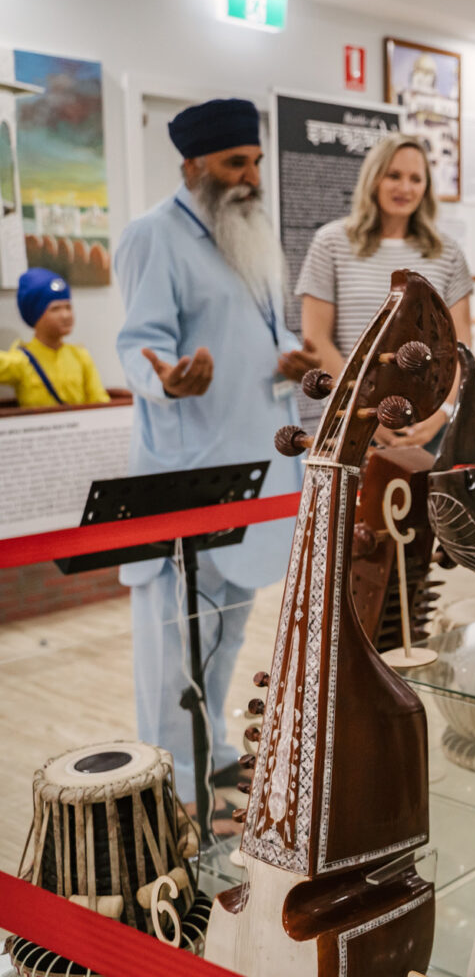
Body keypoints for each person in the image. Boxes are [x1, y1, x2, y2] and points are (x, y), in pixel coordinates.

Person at [115, 98, 320, 827]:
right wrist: (166, 379)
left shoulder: (245, 234)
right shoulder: (154, 236)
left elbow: (251, 334)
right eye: (237, 163)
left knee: (225, 633)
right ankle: (172, 789)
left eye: (256, 161)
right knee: (176, 647)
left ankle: (214, 754)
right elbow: (137, 344)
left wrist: (287, 358)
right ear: (192, 166)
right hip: (188, 477)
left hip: (255, 479)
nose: (251, 177)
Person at [296, 132, 472, 449]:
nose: (405, 188)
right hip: (350, 422)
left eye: (415, 179)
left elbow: (459, 346)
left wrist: (442, 413)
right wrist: (362, 409)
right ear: (374, 178)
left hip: (428, 428)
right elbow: (317, 338)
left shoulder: (447, 252)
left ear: (426, 188)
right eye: (394, 176)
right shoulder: (331, 243)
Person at [0, 267, 109, 406]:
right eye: (55, 309)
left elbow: (99, 402)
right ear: (36, 316)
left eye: (68, 307)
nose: (65, 315)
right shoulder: (21, 361)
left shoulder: (80, 356)